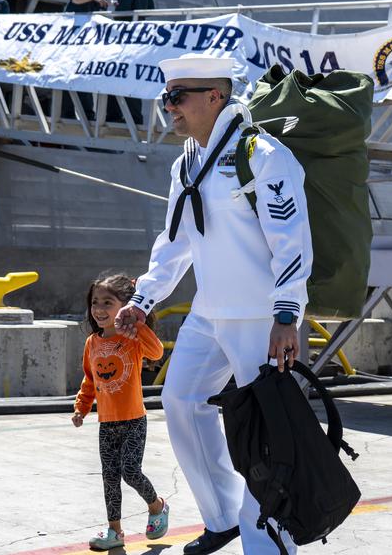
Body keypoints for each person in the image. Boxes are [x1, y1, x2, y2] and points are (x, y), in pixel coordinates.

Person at [115, 54, 312, 554]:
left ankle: (270, 544)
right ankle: (223, 516)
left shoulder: (263, 155)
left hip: (259, 316)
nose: (169, 107)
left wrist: (287, 314)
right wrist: (144, 297)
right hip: (210, 311)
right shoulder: (187, 160)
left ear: (215, 97)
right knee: (181, 401)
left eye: (177, 97)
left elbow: (292, 240)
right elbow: (175, 239)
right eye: (166, 97)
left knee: (265, 434)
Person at [72, 274, 169, 551]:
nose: (99, 309)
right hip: (107, 423)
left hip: (134, 420)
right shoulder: (92, 342)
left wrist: (138, 323)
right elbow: (90, 379)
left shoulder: (132, 338)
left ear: (124, 306)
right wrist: (81, 407)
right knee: (110, 477)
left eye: (107, 302)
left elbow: (156, 351)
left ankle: (157, 505)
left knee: (130, 471)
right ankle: (115, 531)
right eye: (95, 303)